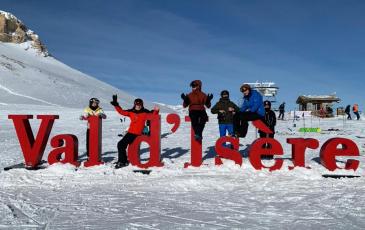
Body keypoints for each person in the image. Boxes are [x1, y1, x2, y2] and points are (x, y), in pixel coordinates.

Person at [110, 95, 159, 168]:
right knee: (121, 145)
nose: (138, 106)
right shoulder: (131, 112)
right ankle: (123, 160)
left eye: (140, 105)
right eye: (137, 105)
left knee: (121, 144)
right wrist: (116, 104)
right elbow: (121, 111)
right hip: (130, 132)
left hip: (136, 133)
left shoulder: (145, 112)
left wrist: (156, 110)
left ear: (142, 105)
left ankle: (123, 161)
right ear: (134, 105)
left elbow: (153, 115)